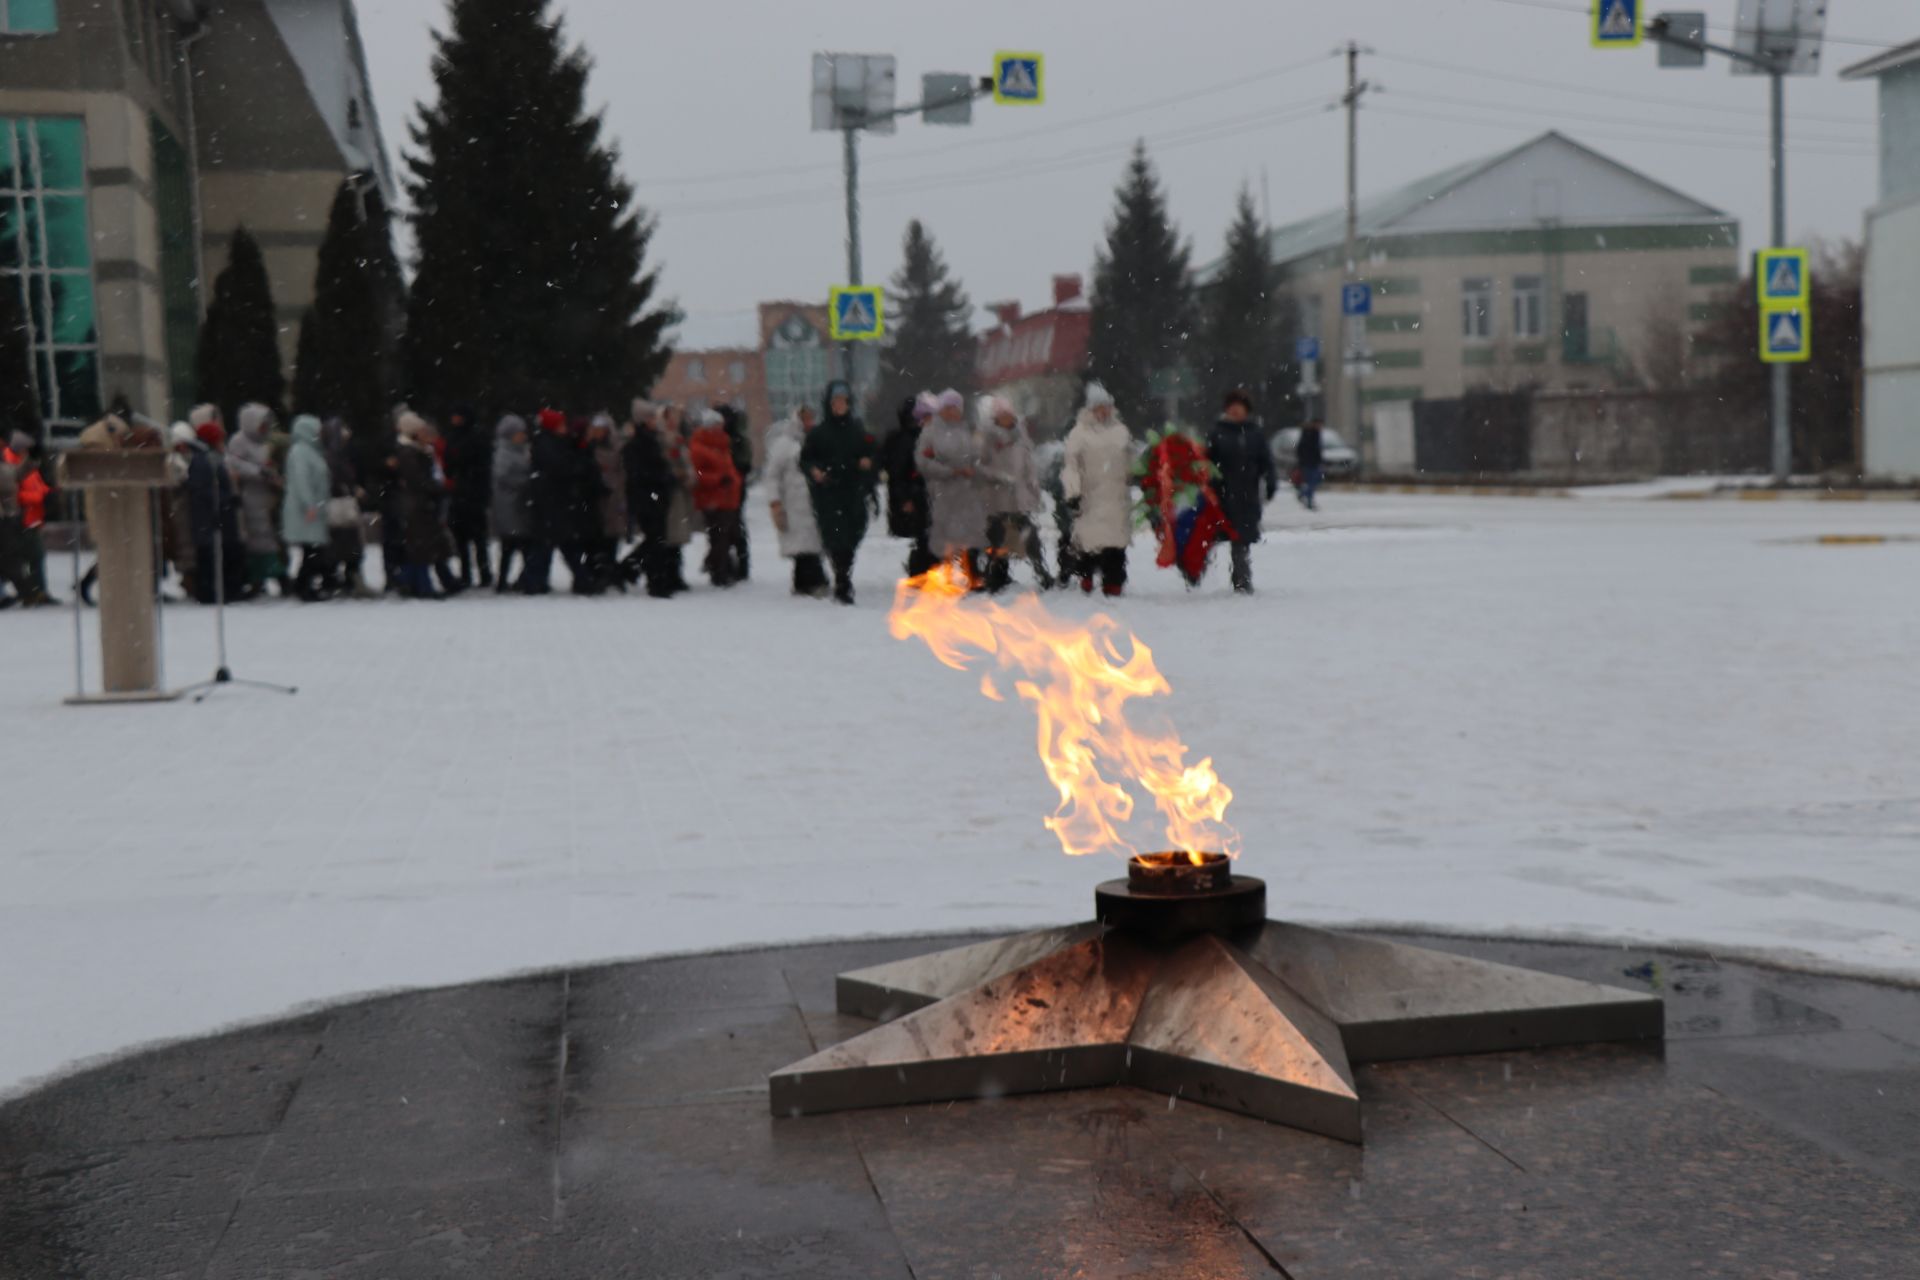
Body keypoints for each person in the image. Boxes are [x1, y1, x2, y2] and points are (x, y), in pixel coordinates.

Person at [802, 380, 878, 605]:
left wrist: (868, 462)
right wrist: (814, 471)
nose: (840, 406)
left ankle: (844, 571)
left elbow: (873, 452)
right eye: (836, 401)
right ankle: (842, 579)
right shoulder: (818, 433)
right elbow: (806, 459)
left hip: (853, 492)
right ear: (829, 403)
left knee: (853, 533)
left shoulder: (858, 430)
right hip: (828, 494)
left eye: (843, 401)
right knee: (835, 538)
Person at [1062, 382, 1134, 597]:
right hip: (1090, 496)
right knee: (1089, 541)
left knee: (1115, 543)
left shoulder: (1121, 431)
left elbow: (1130, 460)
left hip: (1116, 497)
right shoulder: (1079, 433)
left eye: (1106, 407)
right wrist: (1073, 492)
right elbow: (1071, 466)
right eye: (1098, 408)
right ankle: (1086, 575)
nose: (1103, 412)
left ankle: (1113, 581)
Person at [1206, 388, 1280, 595]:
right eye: (1232, 407)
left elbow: (1266, 461)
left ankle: (1241, 578)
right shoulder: (1217, 432)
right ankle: (1198, 571)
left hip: (1247, 494)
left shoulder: (1254, 433)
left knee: (1242, 538)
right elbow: (1207, 460)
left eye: (1240, 407)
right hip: (1223, 493)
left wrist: (1271, 481)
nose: (1236, 411)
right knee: (1218, 534)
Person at [978, 395, 1053, 592]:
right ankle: (994, 575)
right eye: (1003, 415)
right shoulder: (988, 438)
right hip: (996, 497)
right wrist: (999, 477)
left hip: (1019, 497)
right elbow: (980, 466)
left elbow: (1029, 467)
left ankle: (1040, 570)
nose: (1007, 418)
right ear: (996, 417)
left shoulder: (1021, 436)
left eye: (1009, 414)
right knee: (996, 538)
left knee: (1029, 535)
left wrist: (1034, 489)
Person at [917, 388, 990, 581]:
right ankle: (946, 574)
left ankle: (972, 572)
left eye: (956, 408)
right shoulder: (931, 432)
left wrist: (976, 467)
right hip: (943, 493)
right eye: (949, 408)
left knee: (971, 532)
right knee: (946, 534)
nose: (953, 412)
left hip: (967, 493)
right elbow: (924, 462)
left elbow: (977, 456)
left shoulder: (966, 430)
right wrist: (952, 471)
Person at [763, 404, 828, 597]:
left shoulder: (815, 441)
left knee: (811, 543)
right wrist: (775, 502)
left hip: (813, 502)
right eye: (806, 418)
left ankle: (805, 582)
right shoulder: (785, 445)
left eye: (811, 418)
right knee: (802, 546)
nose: (810, 422)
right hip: (793, 504)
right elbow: (772, 476)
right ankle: (812, 581)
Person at [226, 403, 289, 597]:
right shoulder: (239, 441)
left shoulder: (265, 442)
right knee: (259, 540)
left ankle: (266, 577)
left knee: (270, 538)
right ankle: (264, 578)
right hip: (250, 496)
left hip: (267, 495)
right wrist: (258, 471)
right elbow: (234, 463)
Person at [186, 419, 246, 605]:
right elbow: (206, 491)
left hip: (211, 518)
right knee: (212, 558)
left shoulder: (206, 458)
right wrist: (228, 500)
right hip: (211, 519)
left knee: (214, 556)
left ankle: (217, 591)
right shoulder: (205, 460)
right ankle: (213, 593)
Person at [280, 415, 335, 601]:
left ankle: (304, 586)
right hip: (305, 511)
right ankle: (303, 587)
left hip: (314, 509)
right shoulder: (300, 452)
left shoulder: (312, 451)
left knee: (312, 551)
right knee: (312, 551)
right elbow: (301, 480)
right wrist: (310, 504)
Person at [393, 412, 446, 599]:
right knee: (420, 547)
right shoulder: (410, 453)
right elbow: (417, 480)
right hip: (416, 505)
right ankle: (421, 585)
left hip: (419, 504)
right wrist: (436, 487)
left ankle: (409, 581)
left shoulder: (420, 451)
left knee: (419, 546)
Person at [689, 408, 744, 587]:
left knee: (729, 536)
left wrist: (734, 481)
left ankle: (720, 567)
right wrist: (718, 480)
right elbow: (697, 474)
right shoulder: (699, 447)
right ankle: (719, 572)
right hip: (712, 499)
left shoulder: (722, 445)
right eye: (717, 425)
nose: (721, 428)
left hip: (728, 497)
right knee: (719, 537)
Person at [882, 394, 934, 576]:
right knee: (924, 535)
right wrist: (905, 498)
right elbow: (898, 473)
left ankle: (925, 570)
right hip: (915, 494)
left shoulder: (921, 437)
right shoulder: (904, 440)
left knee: (927, 535)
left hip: (924, 493)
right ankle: (921, 571)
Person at [442, 404, 494, 588]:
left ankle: (481, 573)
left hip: (470, 494)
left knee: (476, 539)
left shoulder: (472, 438)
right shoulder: (461, 437)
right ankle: (470, 573)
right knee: (465, 539)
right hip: (463, 494)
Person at [3, 429, 54, 604]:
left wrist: (47, 493)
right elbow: (16, 489)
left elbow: (24, 478)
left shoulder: (11, 466)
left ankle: (33, 593)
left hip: (23, 516)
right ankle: (30, 593)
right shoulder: (8, 464)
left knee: (23, 558)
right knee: (16, 559)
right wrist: (39, 497)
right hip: (17, 517)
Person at [585, 412, 628, 594]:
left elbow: (622, 472)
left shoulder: (617, 448)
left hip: (614, 497)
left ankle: (611, 573)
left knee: (612, 538)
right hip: (595, 498)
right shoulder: (587, 448)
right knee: (597, 539)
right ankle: (598, 573)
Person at [490, 414, 533, 593]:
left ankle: (523, 579)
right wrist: (525, 481)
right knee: (511, 546)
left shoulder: (521, 450)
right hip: (509, 506)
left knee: (520, 546)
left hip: (519, 505)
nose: (522, 435)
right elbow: (502, 476)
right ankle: (505, 581)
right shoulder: (504, 452)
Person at [717, 402, 753, 582]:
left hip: (734, 488)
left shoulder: (735, 439)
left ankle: (736, 565)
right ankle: (734, 564)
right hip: (728, 488)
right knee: (732, 528)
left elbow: (744, 465)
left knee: (733, 527)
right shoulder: (734, 439)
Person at [1295, 418, 1326, 511]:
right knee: (1312, 481)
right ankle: (1307, 498)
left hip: (1313, 462)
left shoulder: (1314, 434)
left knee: (1315, 480)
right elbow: (1304, 449)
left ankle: (1304, 495)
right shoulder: (1310, 434)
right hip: (1309, 462)